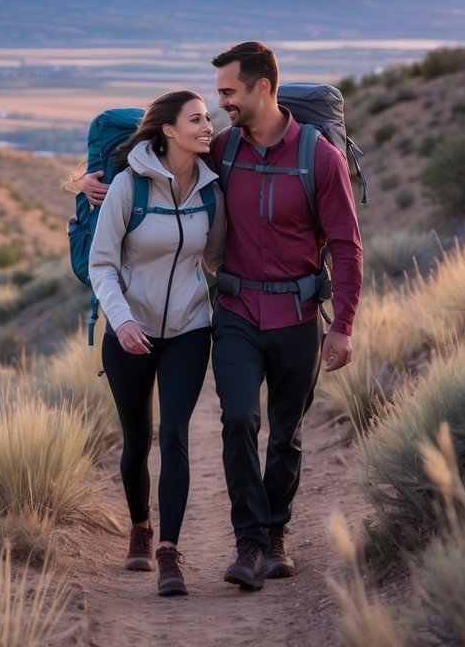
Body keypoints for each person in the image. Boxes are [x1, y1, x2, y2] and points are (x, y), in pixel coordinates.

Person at [84, 42, 362, 592]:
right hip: (234, 310)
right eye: (216, 97)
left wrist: (344, 323)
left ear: (262, 88)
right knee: (238, 421)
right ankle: (249, 545)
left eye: (228, 93)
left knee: (286, 433)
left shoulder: (318, 158)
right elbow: (160, 158)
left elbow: (348, 245)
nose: (220, 106)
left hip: (298, 314)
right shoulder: (223, 150)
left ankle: (275, 533)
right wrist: (96, 178)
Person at [87, 89, 226, 598]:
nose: (207, 126)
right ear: (168, 130)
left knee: (175, 436)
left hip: (189, 329)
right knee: (137, 439)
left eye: (209, 117)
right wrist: (121, 321)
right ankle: (140, 527)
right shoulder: (129, 186)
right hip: (130, 331)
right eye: (197, 119)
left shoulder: (211, 190)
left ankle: (168, 552)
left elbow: (215, 259)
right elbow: (101, 264)